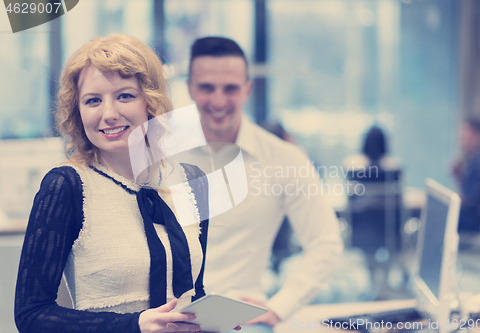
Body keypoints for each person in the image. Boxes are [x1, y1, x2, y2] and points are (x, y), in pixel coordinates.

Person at [14, 34, 210, 333]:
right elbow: (32, 315)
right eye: (93, 100)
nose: (108, 114)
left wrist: (210, 321)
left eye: (125, 96)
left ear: (151, 100)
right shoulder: (66, 186)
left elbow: (193, 292)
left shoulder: (192, 181)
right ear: (77, 111)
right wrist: (134, 325)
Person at [183, 37, 343, 332]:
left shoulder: (285, 158)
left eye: (230, 88)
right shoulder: (158, 154)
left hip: (240, 320)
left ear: (247, 89)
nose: (218, 101)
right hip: (168, 318)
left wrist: (280, 307)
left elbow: (326, 243)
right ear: (190, 87)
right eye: (207, 87)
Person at [452, 116, 480, 232]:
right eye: (463, 138)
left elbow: (474, 202)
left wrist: (454, 198)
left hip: (474, 222)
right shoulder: (474, 160)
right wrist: (458, 176)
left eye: (468, 137)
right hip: (471, 217)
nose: (463, 142)